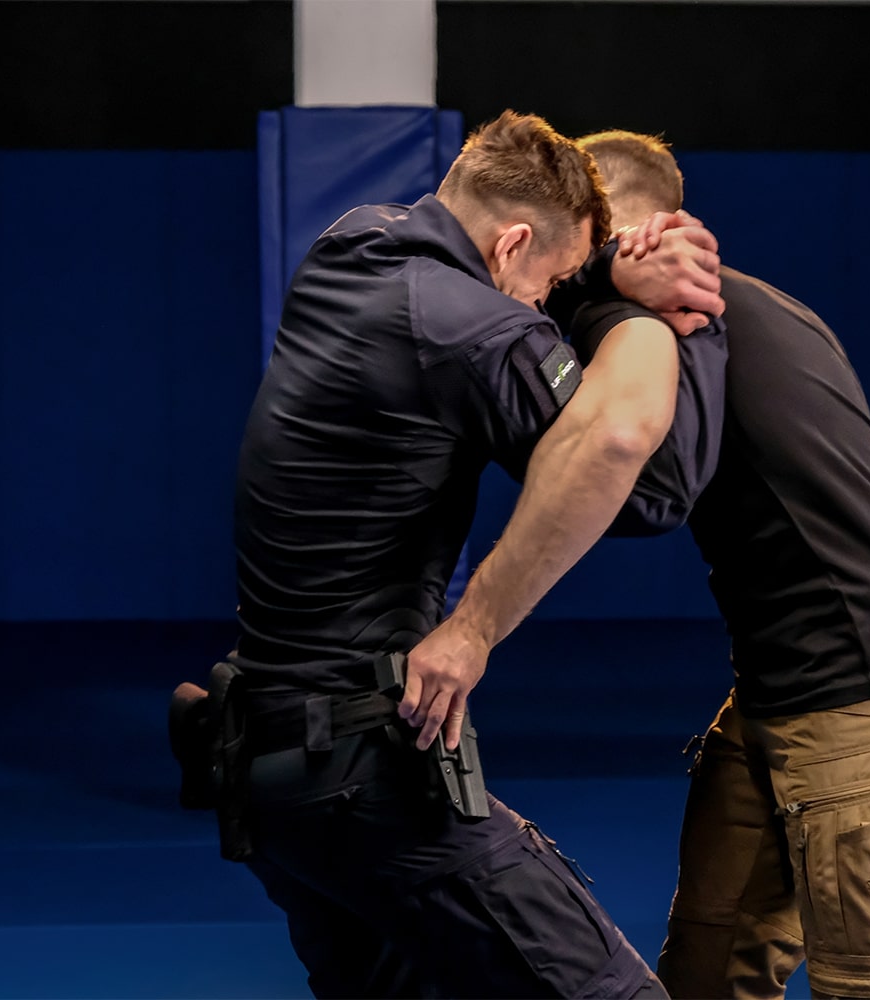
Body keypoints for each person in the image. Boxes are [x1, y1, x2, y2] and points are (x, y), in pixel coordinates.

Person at [204, 111, 729, 999]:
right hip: (367, 779)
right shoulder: (467, 327)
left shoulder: (349, 243)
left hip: (266, 769)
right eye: (550, 283)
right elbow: (649, 486)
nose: (543, 307)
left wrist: (586, 266)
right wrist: (659, 311)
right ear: (512, 243)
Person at [566, 131, 870, 1000]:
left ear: (625, 234)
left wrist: (598, 287)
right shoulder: (754, 306)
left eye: (578, 236)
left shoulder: (677, 320)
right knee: (710, 963)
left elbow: (649, 497)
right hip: (780, 687)